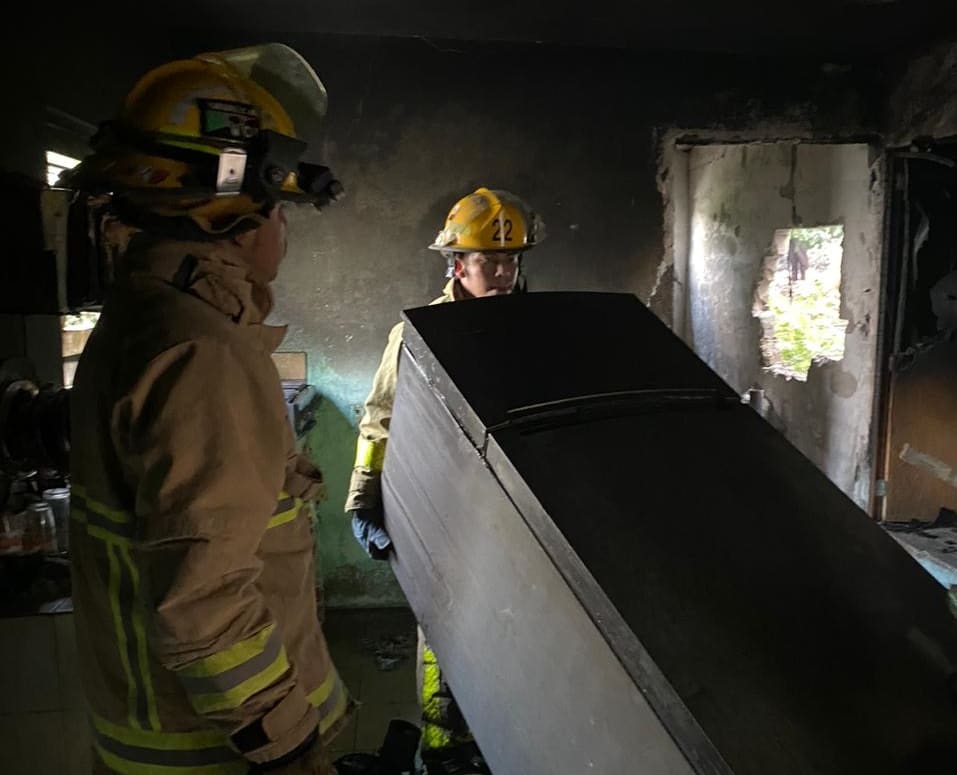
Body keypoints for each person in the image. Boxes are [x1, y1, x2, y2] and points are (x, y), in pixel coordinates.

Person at [63, 43, 351, 774]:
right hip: (214, 753)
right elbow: (205, 607)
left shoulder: (147, 316)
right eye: (278, 208)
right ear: (233, 211)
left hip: (160, 733)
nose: (282, 229)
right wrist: (289, 746)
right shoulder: (205, 352)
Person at [345, 187, 545, 773]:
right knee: (448, 632)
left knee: (519, 636)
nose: (505, 272)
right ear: (458, 264)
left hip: (517, 515)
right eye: (490, 260)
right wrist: (364, 497)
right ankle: (446, 752)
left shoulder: (540, 328)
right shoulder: (419, 333)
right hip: (448, 507)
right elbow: (381, 415)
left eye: (512, 260)